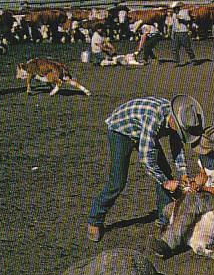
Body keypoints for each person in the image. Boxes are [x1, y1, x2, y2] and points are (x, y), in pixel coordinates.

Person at [87, 95, 205, 242]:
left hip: (142, 130)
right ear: (174, 120)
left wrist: (182, 173)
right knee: (117, 182)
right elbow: (146, 159)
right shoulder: (154, 119)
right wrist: (165, 182)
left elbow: (177, 146)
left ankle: (164, 217)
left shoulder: (178, 118)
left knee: (165, 173)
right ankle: (95, 220)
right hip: (121, 131)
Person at [148, 125, 214, 258]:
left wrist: (204, 189)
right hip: (207, 195)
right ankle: (173, 232)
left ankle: (168, 244)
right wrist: (193, 183)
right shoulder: (205, 155)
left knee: (191, 202)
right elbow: (203, 175)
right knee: (170, 207)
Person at [170, 1, 196, 66]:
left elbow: (189, 20)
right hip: (176, 32)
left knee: (187, 47)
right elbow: (173, 24)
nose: (174, 10)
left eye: (175, 8)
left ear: (178, 8)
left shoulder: (184, 12)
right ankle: (176, 61)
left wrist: (182, 19)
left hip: (183, 32)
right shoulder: (173, 14)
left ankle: (193, 59)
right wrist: (172, 33)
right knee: (174, 48)